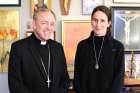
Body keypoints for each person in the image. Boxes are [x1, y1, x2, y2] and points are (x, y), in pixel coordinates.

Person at [8, 7, 70, 93]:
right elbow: (15, 85)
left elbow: (65, 80)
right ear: (34, 24)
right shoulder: (19, 48)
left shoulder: (58, 48)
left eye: (52, 24)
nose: (49, 28)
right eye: (44, 23)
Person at [73, 5, 125, 93]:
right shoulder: (82, 46)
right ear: (91, 21)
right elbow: (77, 76)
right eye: (95, 20)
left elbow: (119, 79)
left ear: (109, 23)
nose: (98, 24)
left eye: (102, 21)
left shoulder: (118, 47)